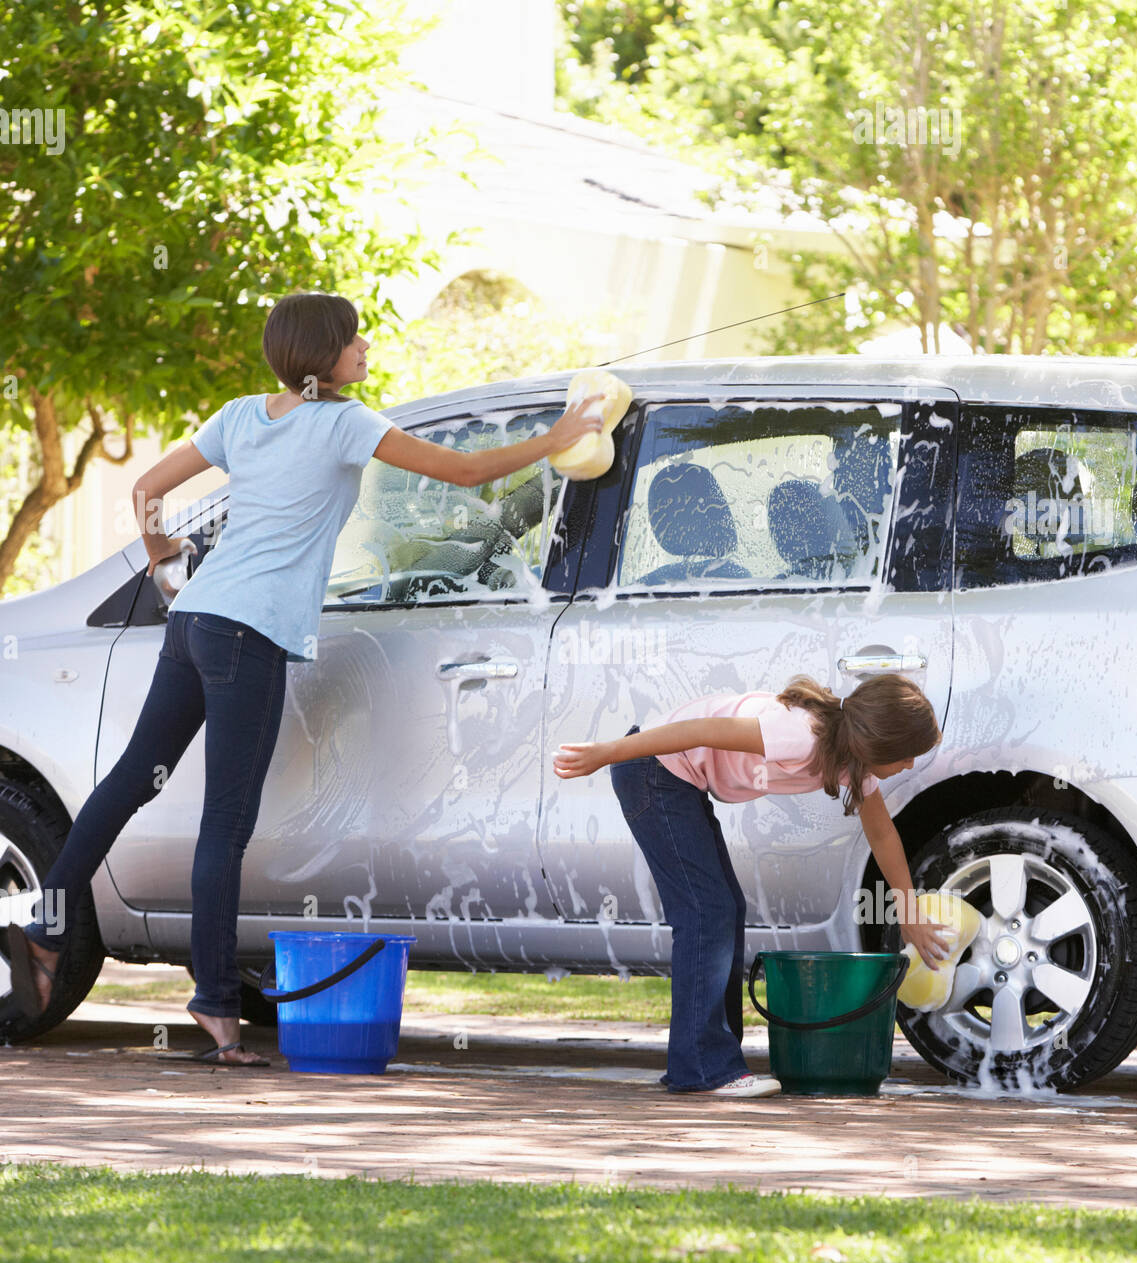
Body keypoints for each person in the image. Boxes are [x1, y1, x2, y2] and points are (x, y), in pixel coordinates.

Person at [6, 291, 604, 1064]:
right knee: (225, 822)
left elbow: (148, 490)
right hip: (247, 636)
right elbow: (463, 471)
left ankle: (46, 931)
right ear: (324, 353)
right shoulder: (346, 423)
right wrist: (556, 436)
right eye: (353, 339)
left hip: (195, 623)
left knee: (128, 783)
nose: (364, 347)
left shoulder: (245, 416)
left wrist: (164, 567)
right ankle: (217, 1006)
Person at [551, 674, 949, 1098]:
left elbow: (883, 835)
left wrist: (908, 914)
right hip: (652, 768)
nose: (909, 765)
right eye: (907, 756)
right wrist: (608, 751)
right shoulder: (801, 734)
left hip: (674, 778)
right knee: (707, 911)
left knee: (724, 908)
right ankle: (705, 1068)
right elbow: (697, 731)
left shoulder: (849, 759)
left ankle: (707, 1060)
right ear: (878, 743)